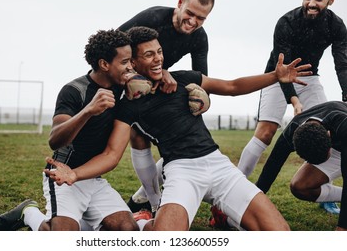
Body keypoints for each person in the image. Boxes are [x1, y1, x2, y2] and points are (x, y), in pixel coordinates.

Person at [45, 26, 313, 231]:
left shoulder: (183, 78)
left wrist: (275, 77)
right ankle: (146, 223)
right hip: (181, 171)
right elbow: (112, 155)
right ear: (134, 63)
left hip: (218, 165)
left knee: (280, 234)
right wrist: (74, 174)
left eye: (159, 51)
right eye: (148, 55)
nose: (158, 59)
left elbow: (232, 87)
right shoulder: (128, 105)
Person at [0, 29, 140, 231]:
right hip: (61, 175)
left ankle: (79, 222)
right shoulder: (75, 90)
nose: (130, 67)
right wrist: (88, 111)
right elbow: (55, 140)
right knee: (62, 234)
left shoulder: (124, 89)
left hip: (91, 177)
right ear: (104, 64)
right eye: (124, 62)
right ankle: (30, 213)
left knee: (127, 229)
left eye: (131, 61)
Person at [237, 0, 347, 214]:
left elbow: (342, 64)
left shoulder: (336, 25)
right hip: (277, 77)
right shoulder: (286, 22)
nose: (311, 3)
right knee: (265, 132)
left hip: (310, 78)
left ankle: (324, 192)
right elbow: (283, 68)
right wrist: (294, 101)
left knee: (320, 134)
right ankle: (236, 187)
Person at [118, 0, 215, 214]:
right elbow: (113, 46)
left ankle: (143, 196)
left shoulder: (199, 37)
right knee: (138, 136)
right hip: (127, 78)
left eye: (201, 18)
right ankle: (153, 202)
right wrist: (144, 73)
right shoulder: (153, 17)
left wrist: (200, 97)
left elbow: (201, 78)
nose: (193, 22)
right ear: (180, 2)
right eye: (190, 13)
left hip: (158, 81)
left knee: (180, 135)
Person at [254, 101, 346, 231]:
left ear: (328, 135)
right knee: (300, 186)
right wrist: (249, 204)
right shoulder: (291, 133)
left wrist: (342, 227)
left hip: (343, 135)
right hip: (335, 142)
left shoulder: (342, 123)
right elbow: (270, 170)